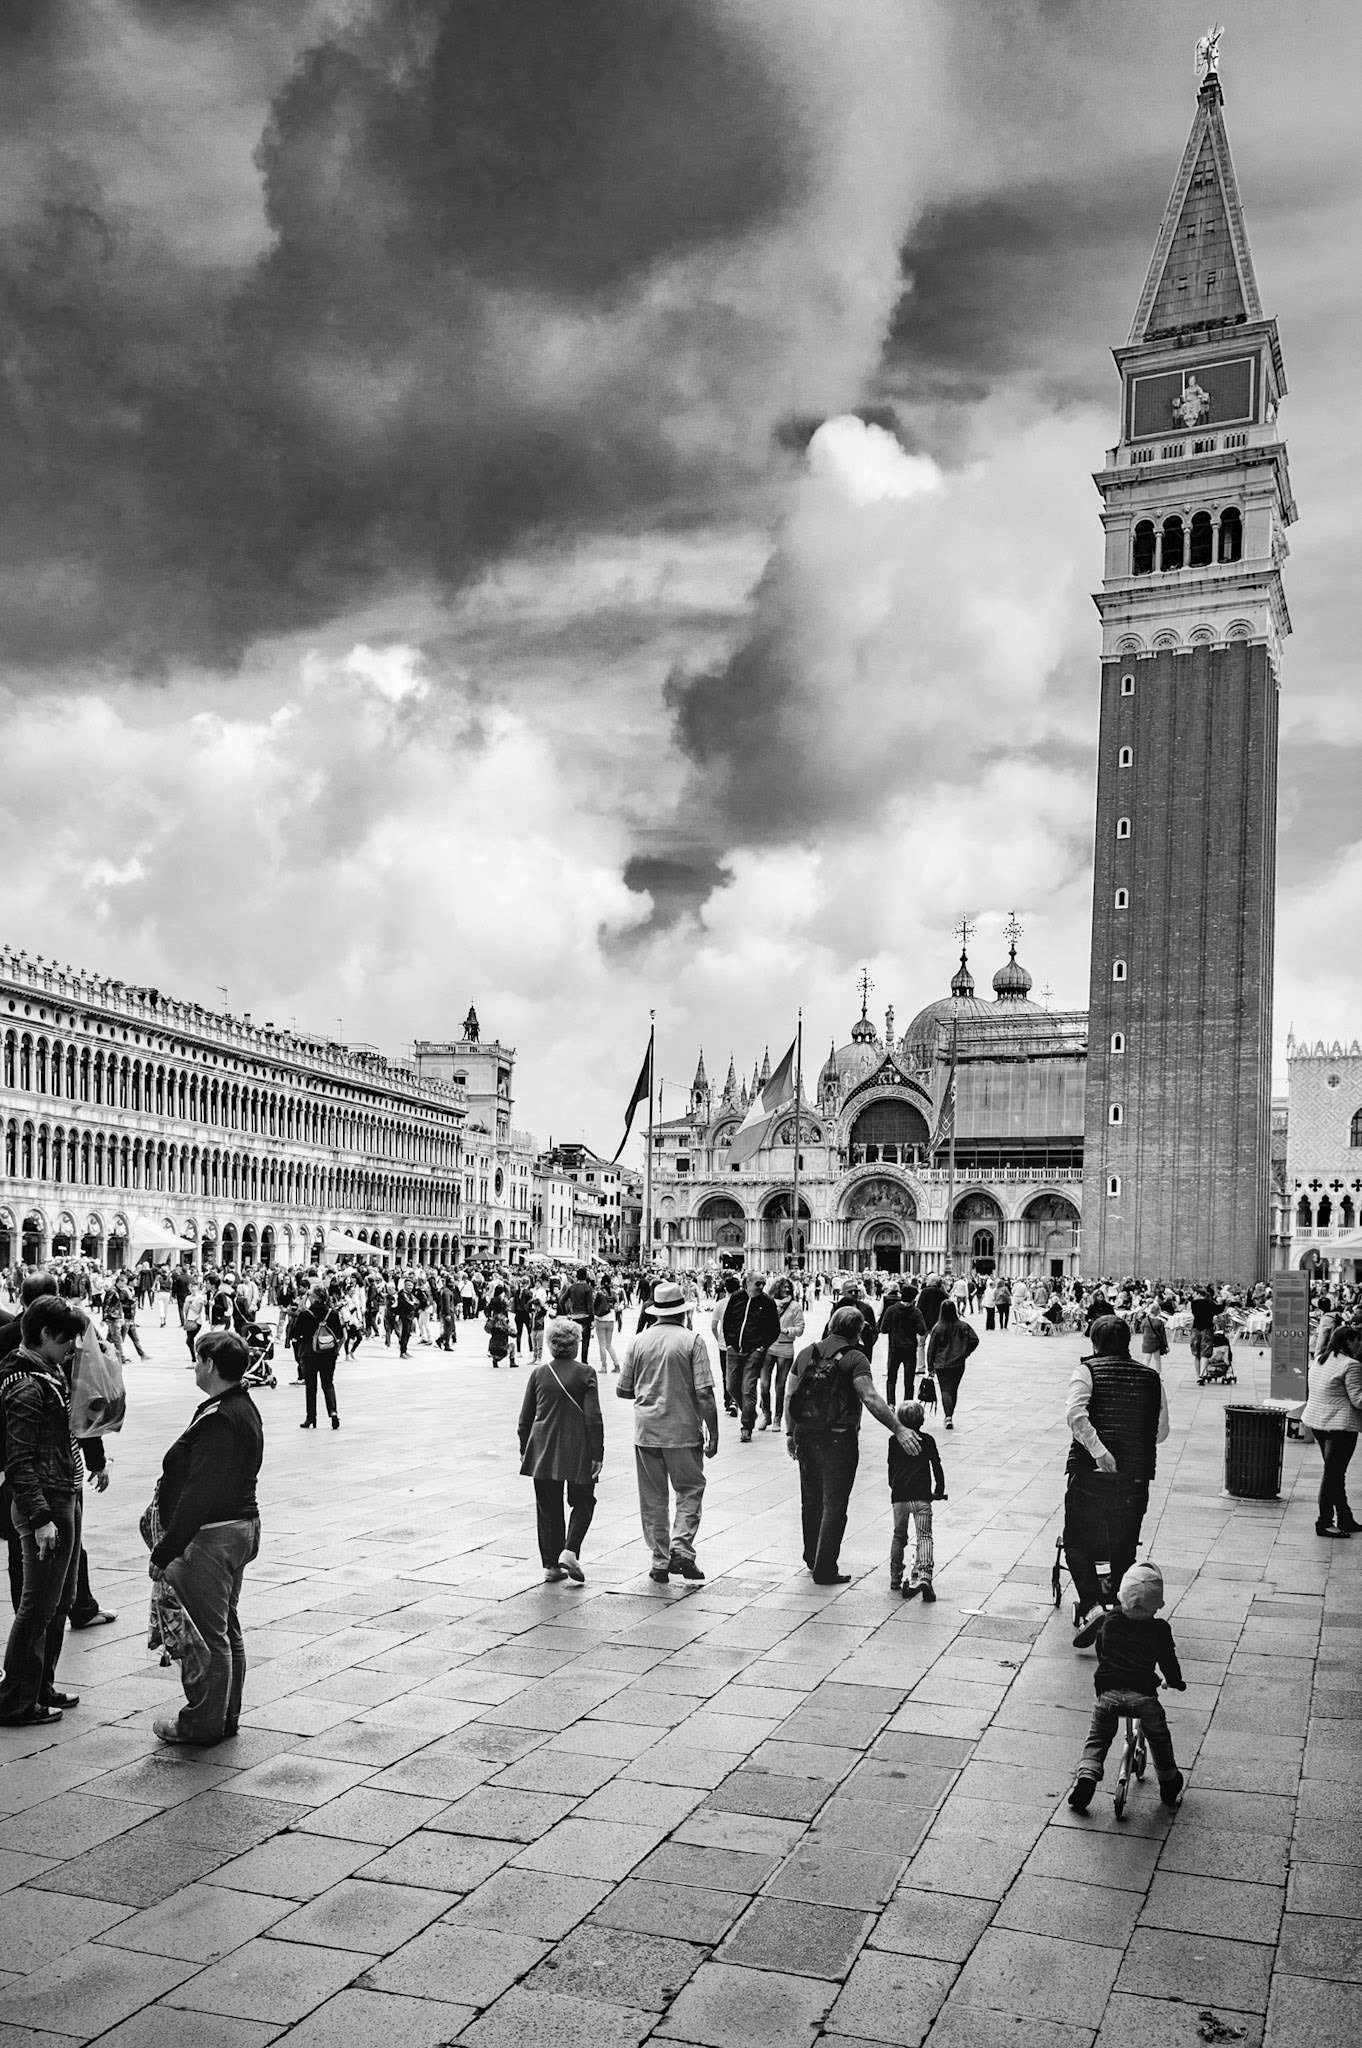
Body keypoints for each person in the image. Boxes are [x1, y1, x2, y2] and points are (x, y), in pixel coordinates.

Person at [149, 1329, 263, 1746]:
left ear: (211, 1365)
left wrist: (167, 1549)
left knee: (208, 1638)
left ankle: (202, 1724)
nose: (195, 1366)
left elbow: (201, 1489)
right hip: (239, 1529)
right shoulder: (241, 1406)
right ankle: (224, 1716)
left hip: (213, 1537)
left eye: (198, 1359)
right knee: (225, 1630)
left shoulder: (219, 1418)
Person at [784, 1305, 921, 1587]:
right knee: (834, 1504)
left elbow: (789, 1395)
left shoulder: (807, 1352)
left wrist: (790, 1434)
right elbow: (869, 1397)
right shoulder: (855, 1358)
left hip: (806, 1437)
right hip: (839, 1440)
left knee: (810, 1501)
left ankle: (812, 1557)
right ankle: (825, 1568)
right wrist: (899, 1428)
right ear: (858, 1331)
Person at [0, 1297, 88, 1726]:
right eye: (66, 1338)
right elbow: (19, 1460)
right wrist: (40, 1518)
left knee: (60, 1600)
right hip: (46, 1501)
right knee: (37, 1605)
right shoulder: (25, 1385)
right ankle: (16, 1699)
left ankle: (40, 1685)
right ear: (45, 1336)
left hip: (63, 1494)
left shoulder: (47, 1373)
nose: (72, 1346)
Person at [1065, 1314, 1169, 1649]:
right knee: (1124, 1546)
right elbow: (1162, 1432)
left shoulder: (1086, 1371)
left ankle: (1092, 1604)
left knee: (1077, 1541)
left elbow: (1076, 1414)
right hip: (1135, 1477)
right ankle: (1125, 1618)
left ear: (1094, 1343)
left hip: (1091, 1476)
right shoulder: (1152, 1378)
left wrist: (1099, 1452)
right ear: (1129, 1342)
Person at [617, 1278, 718, 1584]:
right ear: (683, 1311)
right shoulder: (692, 1341)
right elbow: (704, 1394)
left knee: (653, 1498)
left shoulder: (638, 1341)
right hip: (683, 1430)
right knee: (689, 1490)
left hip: (646, 1431)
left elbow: (624, 1390)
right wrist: (712, 1431)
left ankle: (660, 1561)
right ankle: (682, 1549)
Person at [1066, 1561, 1186, 1812]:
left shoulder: (1109, 1621)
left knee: (1097, 1736)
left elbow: (1102, 1651)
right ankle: (1168, 1779)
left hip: (1107, 1693)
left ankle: (1086, 1777)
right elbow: (1168, 1662)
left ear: (1121, 1596)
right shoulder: (1159, 1629)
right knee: (1159, 1737)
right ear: (1158, 1605)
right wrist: (1175, 1682)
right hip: (1142, 1696)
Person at [518, 1319, 604, 1584]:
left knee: (548, 1507)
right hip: (577, 1446)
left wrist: (524, 1448)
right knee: (584, 1500)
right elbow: (594, 1417)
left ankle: (551, 1566)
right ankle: (570, 1549)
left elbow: (525, 1417)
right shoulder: (586, 1373)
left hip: (542, 1447)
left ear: (551, 1345)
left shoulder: (539, 1373)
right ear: (576, 1345)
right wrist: (597, 1453)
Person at [1301, 1323, 1362, 1537]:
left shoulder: (1319, 1359)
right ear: (1348, 1342)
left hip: (1318, 1423)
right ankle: (1324, 1522)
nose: (1360, 1345)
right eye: (1357, 1341)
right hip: (1340, 1427)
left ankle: (1345, 1517)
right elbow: (1358, 1400)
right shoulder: (1351, 1365)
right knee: (1333, 1475)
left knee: (1334, 1473)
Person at [888, 1400, 946, 1601]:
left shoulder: (894, 1440)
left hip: (900, 1498)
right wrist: (939, 1489)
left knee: (899, 1537)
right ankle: (925, 1576)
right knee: (924, 1537)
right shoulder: (928, 1440)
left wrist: (893, 1487)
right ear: (921, 1420)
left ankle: (895, 1577)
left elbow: (891, 1469)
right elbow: (936, 1465)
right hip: (922, 1497)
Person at [722, 1272, 782, 1442]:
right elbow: (727, 1321)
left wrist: (761, 1347)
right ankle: (750, 1412)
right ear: (747, 1283)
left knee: (748, 1388)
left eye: (763, 1283)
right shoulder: (736, 1297)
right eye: (757, 1283)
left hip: (754, 1351)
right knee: (732, 1386)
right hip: (734, 1349)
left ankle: (746, 1426)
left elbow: (774, 1329)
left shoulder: (767, 1302)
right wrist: (729, 1343)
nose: (761, 1287)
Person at [291, 1288, 344, 1429]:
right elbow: (339, 1333)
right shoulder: (332, 1313)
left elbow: (294, 1333)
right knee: (328, 1384)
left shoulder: (305, 1314)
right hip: (328, 1354)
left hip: (309, 1354)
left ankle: (311, 1418)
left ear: (314, 1298)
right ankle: (333, 1412)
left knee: (311, 1386)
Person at [925, 1299, 979, 1429]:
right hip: (958, 1363)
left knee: (945, 1389)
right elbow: (974, 1339)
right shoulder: (963, 1325)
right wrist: (965, 1352)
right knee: (953, 1389)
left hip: (941, 1363)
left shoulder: (938, 1327)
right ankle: (950, 1415)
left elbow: (931, 1348)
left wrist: (930, 1365)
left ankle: (948, 1416)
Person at [881, 1282, 927, 1408]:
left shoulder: (891, 1310)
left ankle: (890, 1404)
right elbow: (922, 1330)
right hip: (910, 1349)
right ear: (913, 1298)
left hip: (894, 1348)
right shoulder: (916, 1312)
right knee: (909, 1379)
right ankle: (907, 1404)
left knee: (891, 1378)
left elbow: (883, 1329)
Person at [558, 1266, 596, 1364]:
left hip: (574, 1316)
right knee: (585, 1341)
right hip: (585, 1317)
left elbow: (561, 1301)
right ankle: (584, 1361)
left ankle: (572, 1360)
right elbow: (590, 1305)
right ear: (586, 1276)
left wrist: (567, 1313)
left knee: (574, 1340)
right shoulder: (588, 1288)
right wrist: (592, 1318)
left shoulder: (572, 1287)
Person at [593, 1279, 621, 1373]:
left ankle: (604, 1367)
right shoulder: (614, 1293)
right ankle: (616, 1365)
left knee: (602, 1344)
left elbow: (595, 1306)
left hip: (601, 1319)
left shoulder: (600, 1293)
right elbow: (617, 1305)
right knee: (609, 1345)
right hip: (611, 1319)